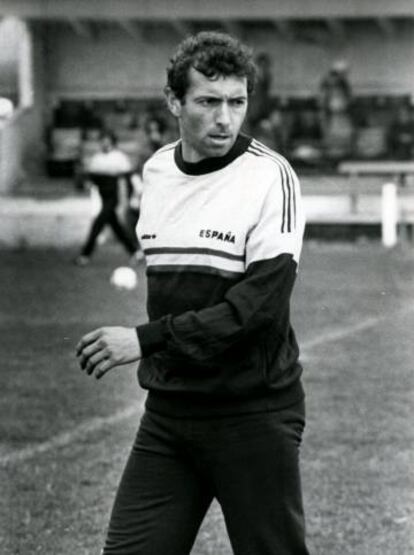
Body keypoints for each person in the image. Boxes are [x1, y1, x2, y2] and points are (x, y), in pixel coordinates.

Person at [76, 31, 309, 555]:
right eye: (208, 102)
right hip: (170, 415)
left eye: (237, 102)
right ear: (174, 102)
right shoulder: (157, 172)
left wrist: (147, 339)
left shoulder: (272, 178)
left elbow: (256, 310)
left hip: (254, 413)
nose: (225, 118)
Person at [75, 130, 142, 266]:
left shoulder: (118, 157)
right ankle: (135, 252)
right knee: (116, 227)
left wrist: (135, 193)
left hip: (113, 196)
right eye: (103, 140)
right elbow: (92, 177)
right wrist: (88, 182)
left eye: (108, 140)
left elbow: (129, 175)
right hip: (102, 195)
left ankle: (85, 254)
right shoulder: (97, 158)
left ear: (112, 142)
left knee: (98, 223)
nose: (105, 143)